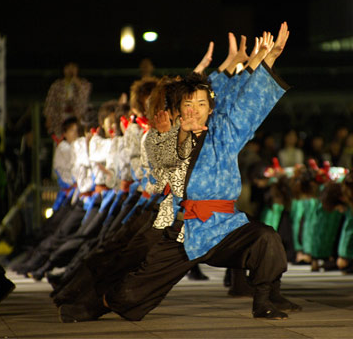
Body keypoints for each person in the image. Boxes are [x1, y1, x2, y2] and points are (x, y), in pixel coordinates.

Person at [105, 22, 300, 321]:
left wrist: (268, 60)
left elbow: (246, 105)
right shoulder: (162, 136)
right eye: (188, 103)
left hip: (225, 225)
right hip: (185, 230)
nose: (195, 108)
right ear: (178, 109)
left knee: (267, 238)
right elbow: (159, 177)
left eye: (201, 103)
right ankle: (101, 299)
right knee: (127, 299)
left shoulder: (224, 132)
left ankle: (264, 299)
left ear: (210, 108)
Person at [44, 62, 92, 137]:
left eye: (73, 67)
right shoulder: (57, 84)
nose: (70, 69)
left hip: (77, 116)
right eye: (68, 67)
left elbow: (85, 96)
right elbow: (50, 101)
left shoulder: (84, 84)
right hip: (60, 117)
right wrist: (48, 118)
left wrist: (76, 81)